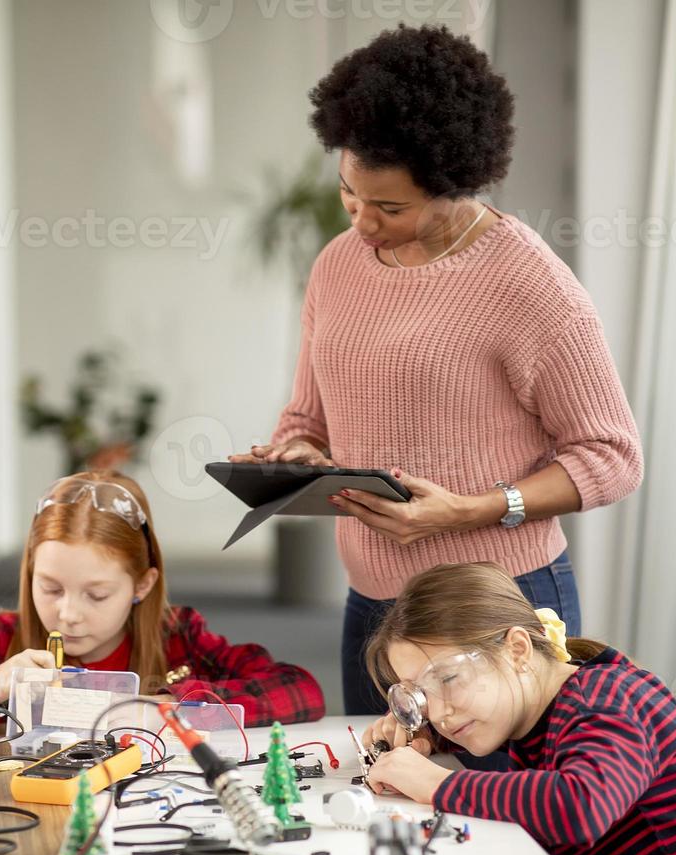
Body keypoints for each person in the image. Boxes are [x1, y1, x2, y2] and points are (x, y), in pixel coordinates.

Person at [235, 24, 642, 722]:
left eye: (390, 207)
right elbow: (308, 417)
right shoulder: (337, 266)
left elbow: (613, 457)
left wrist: (470, 510)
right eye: (349, 195)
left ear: (454, 183)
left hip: (496, 608)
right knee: (383, 800)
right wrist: (298, 454)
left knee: (507, 819)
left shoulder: (530, 285)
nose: (363, 222)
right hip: (375, 608)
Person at [361, 562, 676, 855]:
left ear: (517, 649)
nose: (440, 712)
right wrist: (430, 737)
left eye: (448, 679)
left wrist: (437, 783)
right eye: (421, 696)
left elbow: (581, 808)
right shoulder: (545, 707)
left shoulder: (608, 697)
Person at [0, 471, 324, 726]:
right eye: (50, 588)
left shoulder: (176, 636)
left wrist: (173, 707)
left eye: (97, 595)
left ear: (142, 585)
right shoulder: (1, 637)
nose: (68, 614)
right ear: (29, 573)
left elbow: (300, 691)